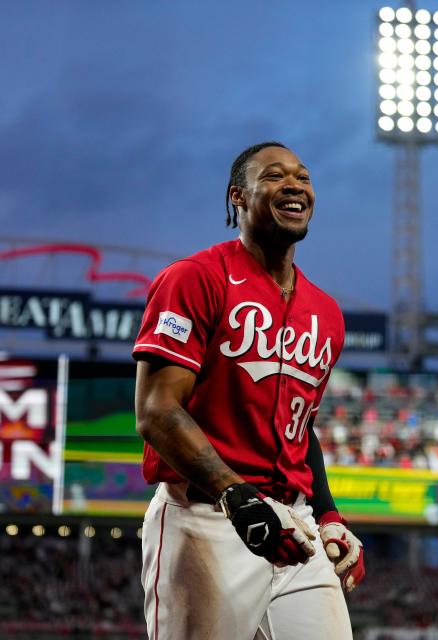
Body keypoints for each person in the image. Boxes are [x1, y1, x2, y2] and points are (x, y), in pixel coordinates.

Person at [133, 141, 365, 640]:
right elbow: (156, 410)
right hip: (206, 515)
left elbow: (301, 429)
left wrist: (327, 515)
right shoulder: (193, 279)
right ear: (237, 196)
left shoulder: (326, 313)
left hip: (293, 525)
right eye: (275, 176)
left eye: (303, 177)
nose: (295, 185)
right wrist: (235, 495)